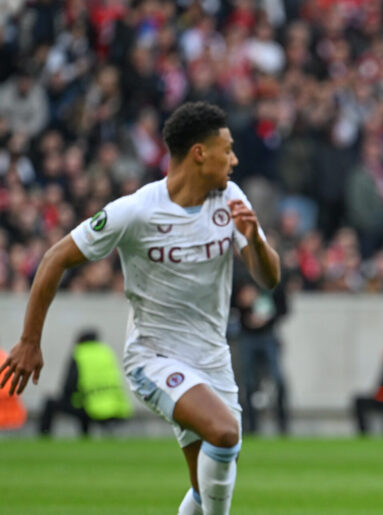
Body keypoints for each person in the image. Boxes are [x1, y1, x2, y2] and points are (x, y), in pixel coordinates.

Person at [0, 101, 281, 515]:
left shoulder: (230, 199)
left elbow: (269, 278)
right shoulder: (136, 211)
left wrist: (254, 239)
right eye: (228, 149)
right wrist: (29, 340)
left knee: (206, 485)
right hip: (154, 355)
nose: (235, 159)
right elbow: (54, 258)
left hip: (212, 359)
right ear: (199, 154)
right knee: (224, 434)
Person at [39, 329, 133, 436]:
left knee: (53, 403)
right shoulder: (106, 352)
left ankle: (44, 437)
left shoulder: (79, 353)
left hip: (92, 408)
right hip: (118, 407)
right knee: (84, 401)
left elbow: (69, 386)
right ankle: (86, 437)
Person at [232, 276, 290, 435]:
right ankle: (251, 426)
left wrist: (268, 318)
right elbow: (231, 303)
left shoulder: (275, 278)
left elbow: (284, 308)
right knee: (248, 382)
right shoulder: (242, 276)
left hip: (268, 334)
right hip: (247, 335)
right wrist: (241, 301)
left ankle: (283, 424)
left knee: (278, 380)